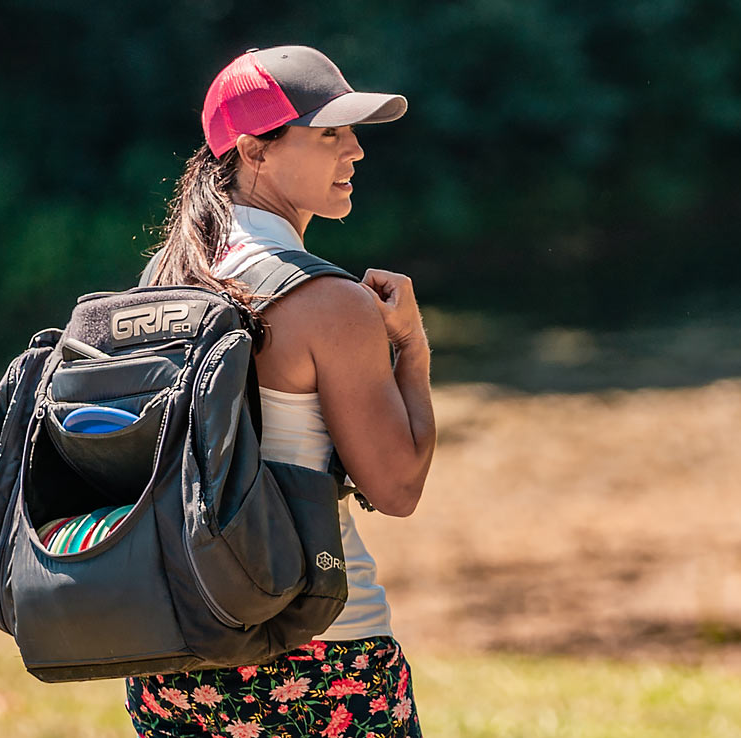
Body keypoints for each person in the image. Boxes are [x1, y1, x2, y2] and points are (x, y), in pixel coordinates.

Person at [125, 45, 436, 738]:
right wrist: (411, 349)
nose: (354, 151)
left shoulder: (160, 279)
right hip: (322, 654)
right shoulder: (328, 299)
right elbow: (398, 487)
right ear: (252, 152)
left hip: (172, 651)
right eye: (329, 133)